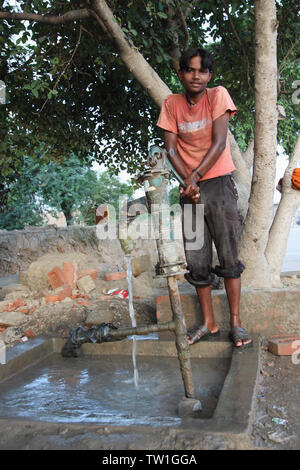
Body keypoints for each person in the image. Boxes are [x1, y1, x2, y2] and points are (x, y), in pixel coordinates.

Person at [157, 47, 252, 348]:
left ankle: (235, 323)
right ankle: (208, 323)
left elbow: (220, 142)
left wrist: (195, 177)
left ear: (209, 75)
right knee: (197, 260)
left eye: (202, 71)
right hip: (190, 190)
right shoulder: (171, 104)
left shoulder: (217, 96)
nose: (196, 76)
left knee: (228, 256)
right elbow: (170, 148)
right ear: (181, 73)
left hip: (218, 185)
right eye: (190, 70)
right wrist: (188, 181)